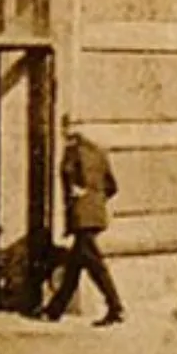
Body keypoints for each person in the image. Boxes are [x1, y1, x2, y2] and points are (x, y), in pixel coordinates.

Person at [38, 118, 125, 326]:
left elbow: (68, 176)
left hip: (81, 215)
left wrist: (77, 196)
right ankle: (54, 310)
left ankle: (116, 307)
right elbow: (113, 186)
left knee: (95, 264)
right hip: (95, 213)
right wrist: (96, 199)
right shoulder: (99, 152)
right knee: (74, 265)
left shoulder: (72, 151)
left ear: (67, 130)